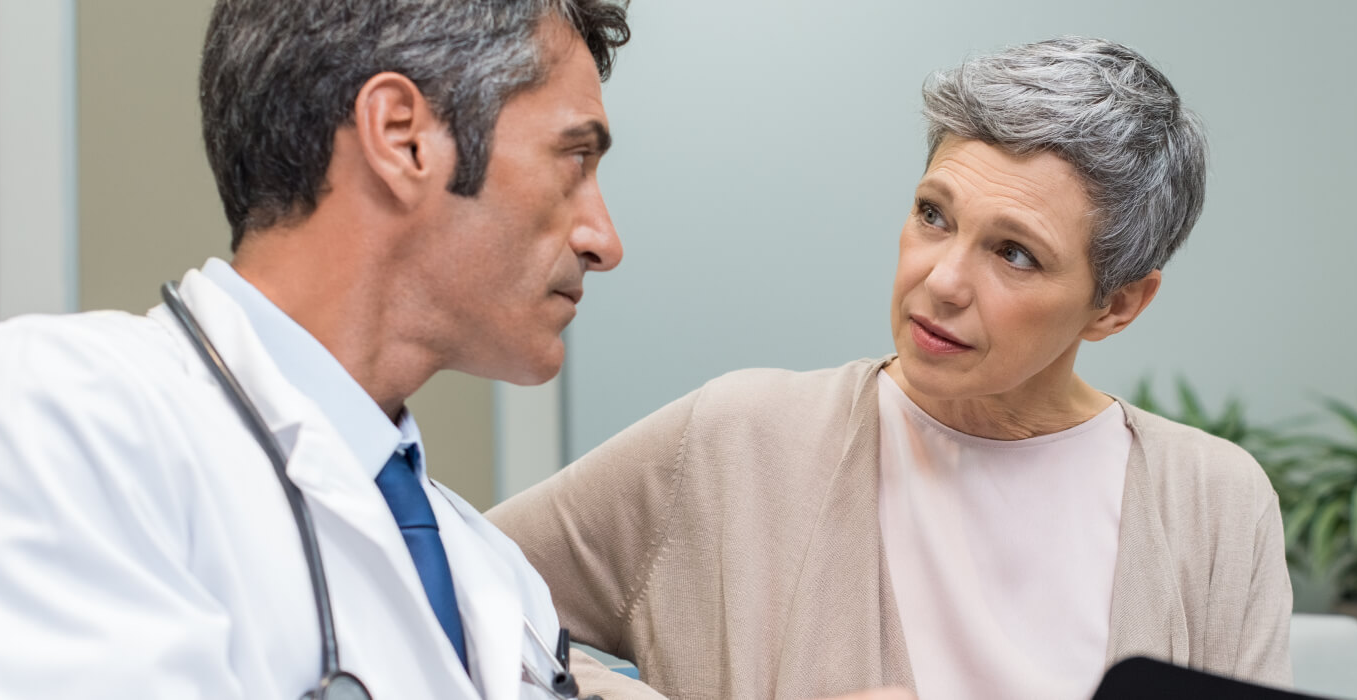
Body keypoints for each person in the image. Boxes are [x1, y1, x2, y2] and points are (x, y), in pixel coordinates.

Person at [488, 36, 1293, 700]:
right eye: (933, 215)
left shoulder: (1213, 504)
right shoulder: (737, 441)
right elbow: (445, 591)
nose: (940, 281)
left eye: (1014, 254)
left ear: (1116, 306)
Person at [0, 1, 631, 697]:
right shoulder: (56, 422)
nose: (605, 241)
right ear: (402, 135)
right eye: (574, 160)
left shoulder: (496, 580)